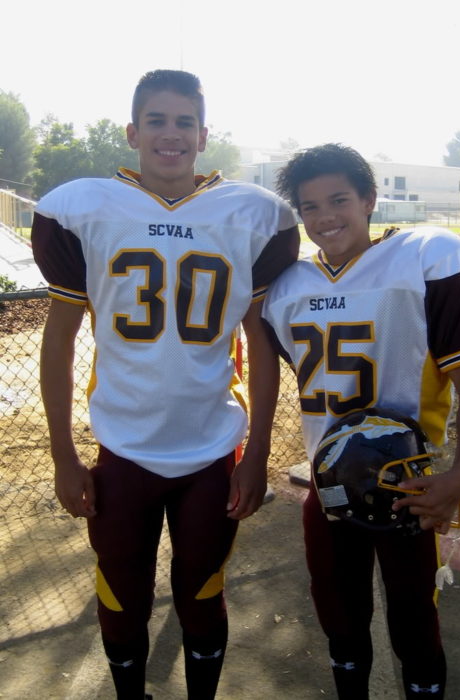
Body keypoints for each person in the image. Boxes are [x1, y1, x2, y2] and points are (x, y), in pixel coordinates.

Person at [31, 69, 299, 700]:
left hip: (211, 448)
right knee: (121, 594)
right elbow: (60, 339)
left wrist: (257, 453)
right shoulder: (85, 207)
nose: (170, 135)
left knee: (203, 593)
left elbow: (259, 347)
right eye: (157, 121)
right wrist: (63, 454)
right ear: (132, 131)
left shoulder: (252, 214)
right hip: (123, 448)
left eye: (184, 122)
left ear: (204, 135)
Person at [262, 143, 460, 699]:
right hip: (330, 482)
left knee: (415, 620)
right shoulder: (286, 288)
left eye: (339, 199)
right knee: (340, 618)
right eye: (310, 207)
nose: (326, 217)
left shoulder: (424, 256)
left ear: (369, 199)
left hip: (410, 480)